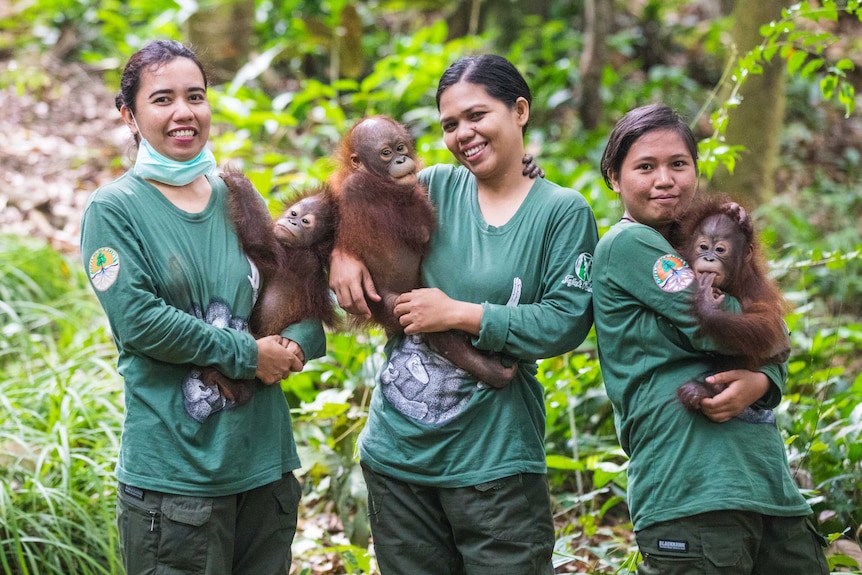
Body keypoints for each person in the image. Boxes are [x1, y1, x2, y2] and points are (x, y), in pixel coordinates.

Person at [329, 54, 598, 574]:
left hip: (494, 463)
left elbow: (566, 322)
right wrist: (343, 251)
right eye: (450, 124)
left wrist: (462, 314)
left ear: (519, 110)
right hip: (397, 457)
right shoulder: (433, 188)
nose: (463, 133)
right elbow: (347, 197)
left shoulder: (562, 212)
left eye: (477, 116)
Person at [80, 40, 325, 574]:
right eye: (162, 99)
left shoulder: (236, 194)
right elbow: (140, 322)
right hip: (176, 485)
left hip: (265, 472)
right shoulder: (113, 210)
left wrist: (296, 344)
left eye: (196, 96)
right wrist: (247, 355)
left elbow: (297, 291)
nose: (184, 113)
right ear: (130, 115)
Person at [592, 103, 829, 574]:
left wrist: (763, 383)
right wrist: (765, 336)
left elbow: (772, 331)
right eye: (645, 167)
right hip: (690, 487)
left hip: (766, 487)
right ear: (614, 178)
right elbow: (715, 327)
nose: (665, 179)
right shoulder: (629, 244)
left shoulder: (705, 242)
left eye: (678, 164)